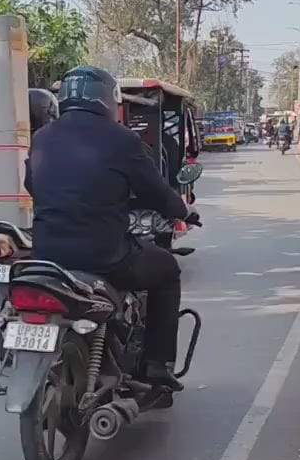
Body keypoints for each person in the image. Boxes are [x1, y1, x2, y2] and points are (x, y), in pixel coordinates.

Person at [26, 66, 194, 391]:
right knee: (167, 270)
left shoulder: (42, 137)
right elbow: (156, 191)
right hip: (104, 257)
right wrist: (181, 210)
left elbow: (32, 183)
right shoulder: (122, 139)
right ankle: (157, 364)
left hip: (47, 257)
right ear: (107, 99)